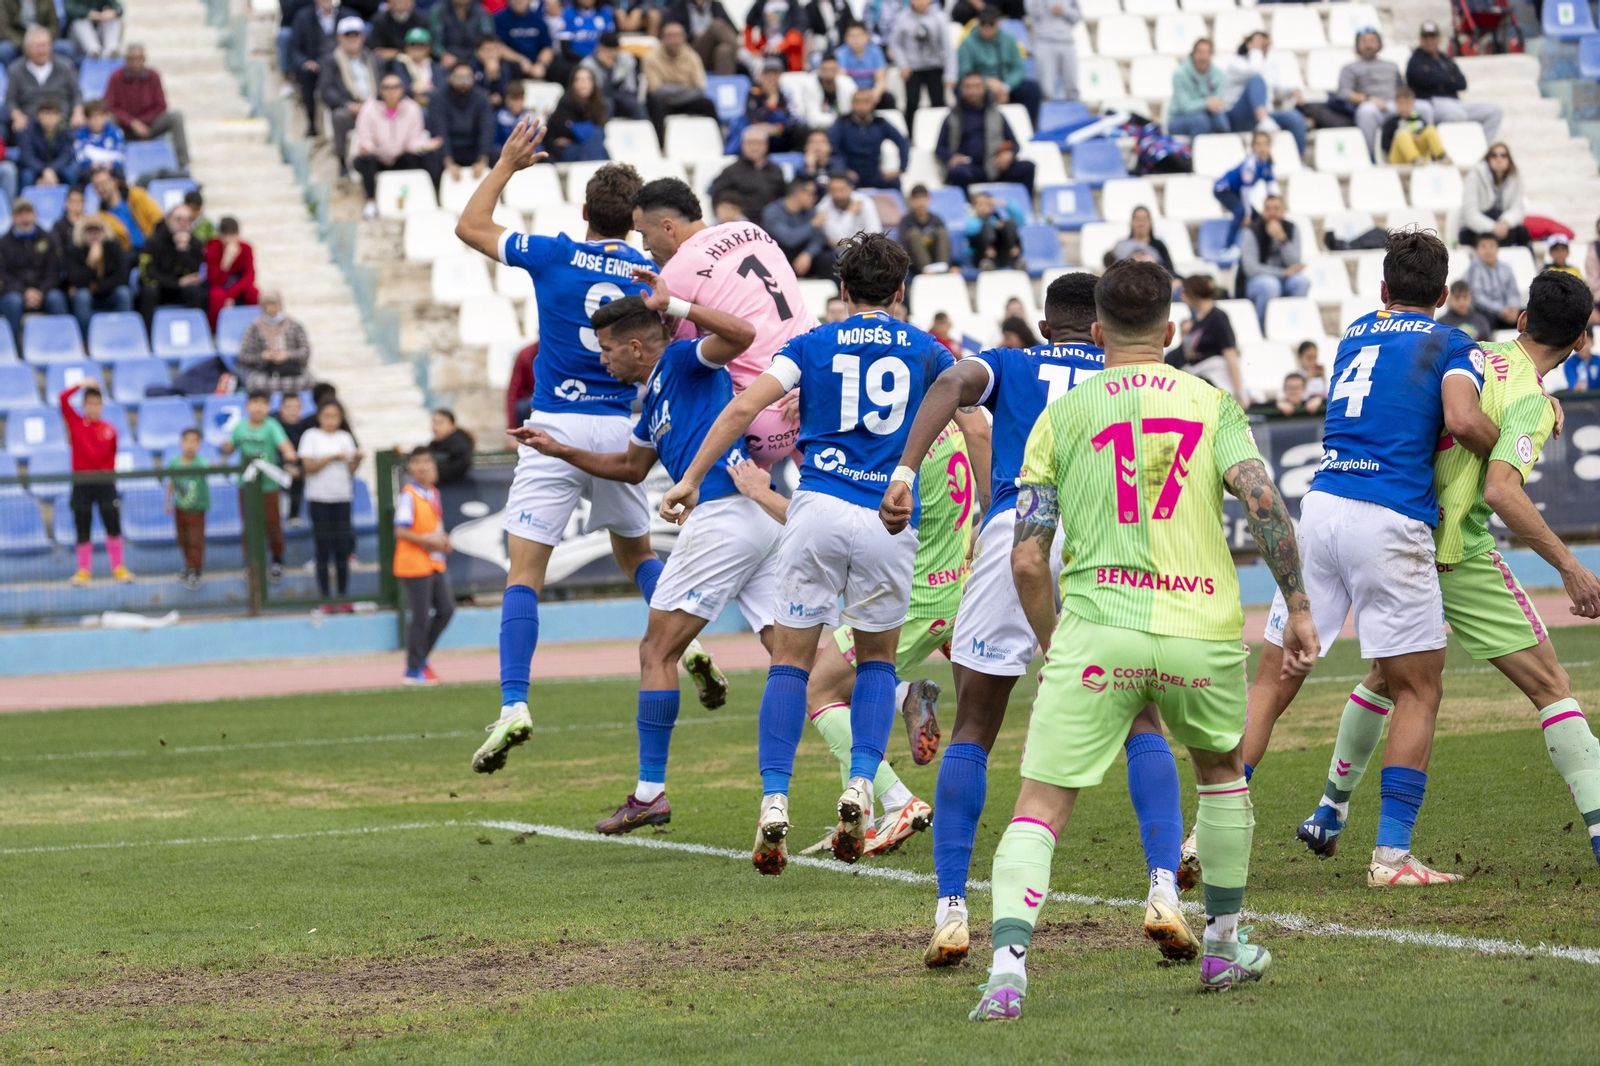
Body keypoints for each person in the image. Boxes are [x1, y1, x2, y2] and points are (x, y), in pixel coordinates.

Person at [960, 258, 1317, 1017]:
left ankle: (1007, 974)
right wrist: (1300, 605)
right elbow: (1264, 503)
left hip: (1099, 631)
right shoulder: (1211, 401)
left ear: (1096, 333)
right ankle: (1221, 948)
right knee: (1221, 773)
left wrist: (1055, 642)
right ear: (1173, 329)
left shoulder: (1062, 417)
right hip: (1201, 629)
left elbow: (1027, 558)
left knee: (1041, 805)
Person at [1271, 271, 1600, 871]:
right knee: (1551, 686)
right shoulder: (1528, 398)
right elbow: (1501, 490)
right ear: (1583, 339)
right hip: (1454, 550)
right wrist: (1572, 568)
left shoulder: (1470, 353)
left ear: (1521, 320)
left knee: (1385, 677)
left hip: (1392, 531)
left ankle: (1330, 808)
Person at [658, 231, 955, 872]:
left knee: (790, 665)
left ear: (842, 291)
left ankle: (773, 803)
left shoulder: (813, 342)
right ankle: (859, 786)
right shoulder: (929, 350)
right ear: (900, 292)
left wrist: (688, 478)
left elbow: (743, 407)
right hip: (887, 516)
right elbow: (975, 417)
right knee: (875, 664)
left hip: (816, 508)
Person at [1239, 228, 1500, 888]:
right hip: (1388, 517)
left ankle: (1204, 831)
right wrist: (1511, 449)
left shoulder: (1356, 331)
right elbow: (1464, 423)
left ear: (1383, 289)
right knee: (1417, 686)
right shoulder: (1450, 342)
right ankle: (1391, 857)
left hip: (1321, 509)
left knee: (1271, 681)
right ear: (1443, 295)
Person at [455, 127, 702, 775]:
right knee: (636, 555)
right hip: (622, 428)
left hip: (555, 426)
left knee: (524, 573)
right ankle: (682, 640)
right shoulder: (653, 271)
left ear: (585, 213)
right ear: (636, 220)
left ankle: (514, 703)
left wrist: (506, 163)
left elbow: (470, 226)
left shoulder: (554, 252)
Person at [513, 273, 771, 834]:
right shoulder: (650, 398)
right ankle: (891, 740)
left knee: (656, 651)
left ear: (635, 346)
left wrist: (674, 303)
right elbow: (630, 469)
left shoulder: (683, 360)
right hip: (754, 521)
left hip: (727, 514)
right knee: (793, 658)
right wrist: (558, 449)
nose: (602, 361)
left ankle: (650, 792)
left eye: (606, 350)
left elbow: (744, 332)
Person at [632, 175, 812, 469]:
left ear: (668, 227)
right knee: (823, 495)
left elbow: (692, 361)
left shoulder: (674, 275)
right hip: (813, 385)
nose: (644, 246)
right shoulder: (750, 228)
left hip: (764, 413)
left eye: (644, 234)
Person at [394, 445, 455, 684]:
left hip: (432, 562)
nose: (423, 467)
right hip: (413, 563)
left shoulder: (432, 494)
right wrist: (429, 541)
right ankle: (412, 668)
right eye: (417, 462)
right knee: (420, 616)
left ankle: (420, 659)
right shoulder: (408, 495)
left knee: (446, 609)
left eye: (427, 462)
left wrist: (443, 541)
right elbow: (401, 530)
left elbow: (433, 527)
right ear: (411, 467)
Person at [61, 382, 132, 584]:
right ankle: (84, 570)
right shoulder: (75, 423)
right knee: (82, 525)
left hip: (105, 484)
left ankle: (118, 567)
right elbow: (62, 399)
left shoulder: (110, 430)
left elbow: (112, 456)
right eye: (89, 403)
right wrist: (81, 384)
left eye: (97, 404)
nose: (93, 407)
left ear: (102, 406)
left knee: (113, 524)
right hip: (81, 483)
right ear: (83, 405)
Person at [223, 390, 298, 580]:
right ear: (247, 406)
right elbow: (230, 448)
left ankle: (277, 560)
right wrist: (226, 448)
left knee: (272, 524)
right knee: (249, 525)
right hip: (247, 486)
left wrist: (290, 455)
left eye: (262, 403)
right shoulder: (240, 427)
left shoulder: (272, 426)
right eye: (254, 403)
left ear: (269, 407)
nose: (258, 407)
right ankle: (251, 562)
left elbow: (286, 447)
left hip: (269, 486)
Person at [298, 398, 363, 600]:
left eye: (335, 416)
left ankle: (343, 594)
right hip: (319, 499)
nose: (331, 420)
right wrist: (332, 457)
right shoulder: (311, 436)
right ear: (319, 417)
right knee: (323, 548)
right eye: (327, 416)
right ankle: (325, 595)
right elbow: (308, 467)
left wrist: (357, 460)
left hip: (342, 497)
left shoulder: (345, 437)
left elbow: (350, 470)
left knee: (342, 548)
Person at [353, 74, 444, 217]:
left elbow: (413, 141)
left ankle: (425, 195)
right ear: (380, 90)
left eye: (395, 87)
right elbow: (364, 137)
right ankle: (371, 201)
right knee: (365, 161)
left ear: (402, 89)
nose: (391, 91)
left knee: (426, 157)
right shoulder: (368, 109)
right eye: (386, 87)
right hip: (376, 155)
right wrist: (367, 147)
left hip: (401, 156)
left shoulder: (412, 108)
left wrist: (425, 146)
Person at [1339, 28, 1430, 160]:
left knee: (1425, 107)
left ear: (1379, 44)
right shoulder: (1350, 68)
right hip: (1372, 106)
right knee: (1366, 112)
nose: (1368, 44)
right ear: (1357, 45)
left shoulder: (1391, 66)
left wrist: (1404, 102)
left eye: (1372, 41)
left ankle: (1424, 152)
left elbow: (1402, 88)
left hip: (1395, 103)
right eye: (1364, 41)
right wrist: (1369, 99)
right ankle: (1371, 157)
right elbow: (1344, 93)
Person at [937, 73, 1035, 194]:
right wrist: (951, 157)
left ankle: (1025, 207)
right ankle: (966, 208)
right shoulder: (952, 117)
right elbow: (939, 148)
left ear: (984, 88)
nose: (973, 91)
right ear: (962, 89)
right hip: (969, 168)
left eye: (977, 86)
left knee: (1027, 167)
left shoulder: (997, 114)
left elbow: (1015, 144)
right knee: (958, 172)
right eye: (968, 87)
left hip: (996, 165)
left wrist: (1009, 154)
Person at [1406, 19, 1501, 143]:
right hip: (1432, 102)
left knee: (1494, 111)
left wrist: (1438, 79)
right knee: (1456, 115)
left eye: (1432, 37)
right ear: (1420, 39)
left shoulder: (1445, 59)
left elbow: (1462, 83)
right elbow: (1419, 79)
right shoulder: (1416, 59)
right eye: (1426, 37)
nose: (1429, 41)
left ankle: (1483, 151)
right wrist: (1447, 80)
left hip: (1455, 102)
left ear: (1438, 38)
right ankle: (1440, 149)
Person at [103, 44, 189, 169]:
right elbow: (109, 106)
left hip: (150, 126)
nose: (136, 63)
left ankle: (183, 163)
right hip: (124, 128)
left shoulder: (153, 76)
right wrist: (132, 123)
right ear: (126, 60)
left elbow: (161, 105)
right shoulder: (115, 77)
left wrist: (143, 123)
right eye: (132, 59)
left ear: (144, 60)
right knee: (108, 120)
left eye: (139, 59)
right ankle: (110, 162)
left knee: (176, 117)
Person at [1222, 32, 1307, 156]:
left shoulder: (1266, 65)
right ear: (1249, 44)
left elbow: (1275, 88)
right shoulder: (1236, 63)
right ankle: (1263, 119)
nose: (1263, 48)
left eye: (1266, 45)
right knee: (1256, 80)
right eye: (1260, 44)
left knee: (1295, 118)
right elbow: (1255, 72)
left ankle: (1299, 159)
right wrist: (1255, 50)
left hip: (1265, 116)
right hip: (1238, 117)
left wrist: (1291, 91)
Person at [957, 9, 1040, 128]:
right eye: (983, 23)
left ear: (998, 24)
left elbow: (1018, 69)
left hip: (1006, 84)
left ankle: (1029, 128)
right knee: (961, 91)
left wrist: (1005, 87)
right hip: (980, 85)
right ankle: (969, 128)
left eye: (991, 23)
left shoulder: (1009, 39)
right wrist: (987, 83)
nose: (987, 27)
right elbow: (964, 71)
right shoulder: (967, 43)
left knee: (1032, 89)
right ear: (978, 24)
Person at [319, 18, 382, 174]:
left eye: (356, 34)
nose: (352, 38)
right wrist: (348, 104)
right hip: (350, 107)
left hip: (375, 105)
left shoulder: (374, 59)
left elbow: (384, 84)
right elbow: (326, 90)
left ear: (363, 36)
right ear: (339, 37)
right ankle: (342, 162)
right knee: (339, 117)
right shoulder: (331, 60)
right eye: (348, 35)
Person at [0, 199, 67, 340]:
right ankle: (12, 345)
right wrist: (25, 292)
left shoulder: (49, 239)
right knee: (13, 302)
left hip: (44, 291)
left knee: (57, 298)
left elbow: (54, 272)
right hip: (15, 293)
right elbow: (3, 276)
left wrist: (41, 292)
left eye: (28, 213)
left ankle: (62, 340)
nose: (25, 218)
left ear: (35, 215)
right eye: (20, 214)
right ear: (13, 218)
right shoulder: (3, 244)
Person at [1239, 194, 1308, 325]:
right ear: (1263, 212)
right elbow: (1250, 269)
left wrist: (1282, 240)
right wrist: (1282, 273)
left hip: (1285, 279)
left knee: (1301, 282)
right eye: (1268, 209)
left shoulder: (1292, 229)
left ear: (1283, 211)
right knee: (1270, 285)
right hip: (1256, 281)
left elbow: (1295, 263)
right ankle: (1263, 327)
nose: (1272, 213)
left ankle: (1296, 323)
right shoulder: (1251, 231)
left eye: (1276, 208)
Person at [136, 202, 207, 327]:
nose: (183, 223)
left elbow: (195, 273)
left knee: (195, 291)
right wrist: (177, 283)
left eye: (188, 220)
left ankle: (197, 331)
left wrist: (183, 250)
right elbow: (147, 274)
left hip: (182, 291)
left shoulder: (196, 243)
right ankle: (147, 336)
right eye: (178, 219)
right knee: (149, 291)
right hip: (161, 288)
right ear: (168, 220)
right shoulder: (153, 241)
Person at [641, 22, 720, 135]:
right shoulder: (651, 57)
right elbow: (656, 90)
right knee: (655, 104)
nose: (674, 40)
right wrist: (685, 87)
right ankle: (660, 145)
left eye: (678, 36)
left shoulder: (692, 56)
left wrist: (673, 96)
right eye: (670, 36)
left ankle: (718, 140)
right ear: (662, 38)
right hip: (663, 102)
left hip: (683, 101)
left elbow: (700, 88)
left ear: (684, 37)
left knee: (708, 104)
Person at [289, 0, 353, 137]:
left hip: (342, 63)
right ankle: (311, 120)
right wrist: (305, 62)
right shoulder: (303, 16)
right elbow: (294, 48)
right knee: (307, 75)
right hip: (316, 64)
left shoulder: (347, 15)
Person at [1177, 274, 1244, 401]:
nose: (1182, 299)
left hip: (1216, 378)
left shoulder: (1218, 317)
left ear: (1194, 293)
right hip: (1198, 378)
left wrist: (1239, 392)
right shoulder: (1195, 318)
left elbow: (1230, 353)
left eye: (1185, 294)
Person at [64, 215, 132, 339]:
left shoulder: (114, 247)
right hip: (86, 296)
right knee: (82, 296)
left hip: (108, 293)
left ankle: (124, 335)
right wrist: (91, 263)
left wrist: (95, 287)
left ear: (104, 232)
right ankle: (85, 340)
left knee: (123, 293)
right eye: (89, 231)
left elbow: (122, 278)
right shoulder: (74, 250)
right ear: (82, 233)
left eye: (97, 230)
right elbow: (75, 279)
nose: (94, 234)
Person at [828, 87, 908, 190]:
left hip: (873, 172)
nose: (861, 106)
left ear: (873, 104)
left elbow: (903, 142)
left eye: (866, 101)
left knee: (894, 182)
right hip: (849, 172)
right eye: (857, 102)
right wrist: (843, 170)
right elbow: (832, 147)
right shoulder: (842, 122)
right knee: (840, 185)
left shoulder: (880, 123)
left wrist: (901, 168)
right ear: (851, 104)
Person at [237, 291, 316, 394]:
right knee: (257, 384)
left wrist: (287, 355)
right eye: (268, 304)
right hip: (263, 370)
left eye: (274, 304)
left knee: (310, 382)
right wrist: (262, 356)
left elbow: (305, 352)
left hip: (291, 369)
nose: (271, 308)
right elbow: (243, 355)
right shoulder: (253, 327)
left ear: (280, 305)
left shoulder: (294, 325)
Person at [428, 62, 495, 180]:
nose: (463, 82)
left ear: (473, 79)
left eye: (468, 78)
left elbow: (486, 129)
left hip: (473, 147)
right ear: (450, 78)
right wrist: (448, 162)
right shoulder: (438, 97)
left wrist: (482, 159)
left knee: (498, 154)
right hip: (450, 147)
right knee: (433, 157)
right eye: (459, 78)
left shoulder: (482, 97)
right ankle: (437, 194)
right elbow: (439, 130)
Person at [708, 125, 787, 222]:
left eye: (758, 143)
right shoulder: (731, 171)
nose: (755, 147)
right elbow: (717, 196)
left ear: (766, 145)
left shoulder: (776, 170)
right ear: (742, 145)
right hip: (740, 221)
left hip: (772, 221)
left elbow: (784, 198)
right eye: (750, 143)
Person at [1213, 129, 1275, 250]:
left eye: (1265, 144)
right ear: (1252, 147)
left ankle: (1259, 248)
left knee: (1258, 219)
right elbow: (1245, 191)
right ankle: (1228, 247)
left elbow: (1270, 186)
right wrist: (1247, 214)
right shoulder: (1250, 165)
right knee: (1240, 212)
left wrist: (1271, 207)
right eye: (1258, 144)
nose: (1262, 148)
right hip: (1224, 189)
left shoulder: (1267, 163)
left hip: (1237, 191)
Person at [1460, 142, 1530, 248]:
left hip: (1503, 223)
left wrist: (1505, 222)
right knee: (1472, 237)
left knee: (1523, 234)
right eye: (1494, 155)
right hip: (1480, 224)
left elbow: (1518, 208)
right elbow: (1470, 213)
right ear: (1488, 158)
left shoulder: (1516, 177)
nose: (1499, 159)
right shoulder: (1475, 176)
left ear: (1509, 159)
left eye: (1503, 155)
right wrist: (1493, 227)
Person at [761, 177, 832, 280]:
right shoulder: (772, 212)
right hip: (779, 255)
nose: (815, 198)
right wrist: (812, 224)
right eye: (812, 193)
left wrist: (808, 253)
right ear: (799, 193)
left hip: (803, 256)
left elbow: (817, 239)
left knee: (826, 258)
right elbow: (789, 239)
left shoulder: (811, 211)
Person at [892, 0, 949, 125]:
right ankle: (909, 134)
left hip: (935, 66)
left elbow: (947, 46)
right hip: (912, 68)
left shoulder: (940, 16)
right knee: (911, 102)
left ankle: (940, 131)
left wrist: (950, 74)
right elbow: (896, 44)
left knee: (938, 102)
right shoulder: (902, 17)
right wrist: (903, 65)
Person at [165, 427, 209, 588]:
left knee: (195, 538)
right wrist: (168, 502)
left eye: (194, 441)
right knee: (183, 538)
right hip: (180, 508)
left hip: (197, 509)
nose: (190, 445)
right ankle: (189, 566)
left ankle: (196, 569)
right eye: (187, 441)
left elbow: (210, 469)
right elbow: (171, 483)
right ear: (181, 443)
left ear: (199, 445)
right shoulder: (174, 463)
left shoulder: (202, 463)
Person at [1166, 38, 1229, 139]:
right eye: (1200, 52)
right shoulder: (1180, 74)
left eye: (1207, 52)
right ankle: (1195, 153)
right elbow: (1185, 106)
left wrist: (1213, 104)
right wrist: (1206, 103)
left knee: (1221, 120)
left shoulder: (1218, 74)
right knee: (1200, 121)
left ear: (1211, 55)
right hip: (1178, 118)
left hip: (1208, 116)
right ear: (1193, 54)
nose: (1203, 57)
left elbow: (1219, 101)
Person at [546, 65, 611, 162]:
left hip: (587, 148)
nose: (583, 83)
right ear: (573, 84)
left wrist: (577, 135)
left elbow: (602, 131)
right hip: (564, 152)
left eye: (587, 79)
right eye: (578, 80)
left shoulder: (599, 104)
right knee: (596, 138)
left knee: (598, 143)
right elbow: (558, 133)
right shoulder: (565, 103)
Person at [204, 217, 258, 330]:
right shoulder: (213, 247)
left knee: (253, 293)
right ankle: (216, 331)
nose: (228, 240)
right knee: (216, 296)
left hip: (238, 287)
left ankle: (254, 329)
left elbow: (250, 276)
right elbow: (213, 280)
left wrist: (231, 295)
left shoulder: (246, 248)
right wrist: (226, 262)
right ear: (220, 235)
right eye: (225, 235)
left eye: (232, 235)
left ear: (238, 234)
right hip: (220, 285)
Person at [659, 0, 738, 76]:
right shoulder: (679, 6)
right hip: (693, 48)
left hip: (714, 50)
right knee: (716, 25)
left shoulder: (716, 6)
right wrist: (693, 35)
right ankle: (739, 50)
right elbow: (671, 30)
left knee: (724, 50)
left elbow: (732, 30)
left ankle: (723, 86)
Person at [580, 31, 645, 122]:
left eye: (614, 50)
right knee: (607, 104)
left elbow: (631, 88)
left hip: (621, 94)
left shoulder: (627, 59)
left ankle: (644, 131)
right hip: (598, 97)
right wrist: (606, 68)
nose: (610, 54)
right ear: (599, 48)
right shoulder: (588, 64)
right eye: (606, 50)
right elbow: (592, 91)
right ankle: (602, 133)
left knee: (636, 105)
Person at [89, 169, 161, 250]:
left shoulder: (137, 196)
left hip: (153, 246)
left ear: (114, 181)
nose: (101, 189)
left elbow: (158, 218)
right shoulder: (101, 217)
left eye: (103, 183)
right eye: (97, 186)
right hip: (127, 254)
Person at [1024, 0, 1079, 104]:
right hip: (1043, 40)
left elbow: (1077, 15)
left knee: (1072, 88)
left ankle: (1075, 112)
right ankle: (1046, 116)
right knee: (1046, 91)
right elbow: (1032, 12)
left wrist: (1064, 11)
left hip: (1067, 41)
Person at [744, 59, 803, 153]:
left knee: (800, 130)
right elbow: (753, 117)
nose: (771, 78)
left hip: (780, 133)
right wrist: (771, 101)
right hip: (759, 131)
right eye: (767, 74)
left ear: (779, 76)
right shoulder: (754, 92)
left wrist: (778, 129)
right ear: (762, 75)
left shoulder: (785, 92)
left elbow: (794, 117)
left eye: (774, 74)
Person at [18, 97, 75, 189]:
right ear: (38, 116)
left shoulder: (65, 130)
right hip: (35, 168)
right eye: (46, 114)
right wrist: (44, 170)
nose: (49, 119)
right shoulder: (28, 130)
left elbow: (66, 155)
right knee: (27, 175)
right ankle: (23, 201)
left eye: (53, 115)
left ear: (59, 116)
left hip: (57, 168)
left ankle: (73, 200)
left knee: (69, 173)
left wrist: (52, 169)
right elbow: (27, 156)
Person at [1381, 86, 1448, 166]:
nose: (1404, 107)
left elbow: (1427, 140)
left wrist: (1416, 138)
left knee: (1430, 129)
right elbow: (1385, 145)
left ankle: (1441, 156)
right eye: (1400, 104)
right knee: (1402, 134)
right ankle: (1415, 159)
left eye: (1407, 103)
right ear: (1396, 104)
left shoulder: (1419, 120)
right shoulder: (1391, 122)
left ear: (1412, 104)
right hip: (1399, 158)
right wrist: (1405, 139)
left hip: (1420, 154)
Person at [1468, 233, 1522, 328]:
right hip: (1486, 313)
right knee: (1484, 318)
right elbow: (1478, 298)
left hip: (1506, 311)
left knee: (1528, 315)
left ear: (1497, 249)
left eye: (1492, 246)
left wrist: (1512, 308)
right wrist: (1501, 310)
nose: (1488, 251)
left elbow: (1513, 292)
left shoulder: (1506, 268)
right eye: (1484, 247)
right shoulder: (1473, 270)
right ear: (1477, 250)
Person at [0, 0, 74, 66]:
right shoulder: (6, 1)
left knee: (67, 48)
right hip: (19, 40)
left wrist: (44, 42)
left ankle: (59, 79)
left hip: (43, 38)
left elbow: (54, 24)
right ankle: (15, 77)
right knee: (4, 50)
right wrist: (25, 45)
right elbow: (4, 28)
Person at [897, 183, 950, 275]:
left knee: (941, 232)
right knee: (914, 233)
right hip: (916, 266)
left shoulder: (937, 219)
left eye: (923, 198)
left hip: (936, 260)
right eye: (917, 199)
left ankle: (943, 267)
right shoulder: (906, 221)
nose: (920, 202)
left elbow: (945, 243)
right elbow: (903, 247)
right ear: (911, 201)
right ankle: (926, 268)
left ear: (928, 199)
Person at [817, 171, 881, 247]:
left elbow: (875, 232)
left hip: (866, 249)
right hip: (839, 253)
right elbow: (837, 237)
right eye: (833, 190)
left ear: (850, 188)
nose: (838, 195)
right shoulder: (823, 207)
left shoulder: (865, 202)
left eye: (841, 190)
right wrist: (850, 213)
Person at [963, 189, 1020, 271]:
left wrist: (1003, 203)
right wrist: (993, 224)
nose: (983, 207)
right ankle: (989, 259)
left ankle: (1015, 258)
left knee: (1009, 223)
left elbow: (1020, 220)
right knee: (987, 225)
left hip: (1000, 254)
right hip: (981, 255)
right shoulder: (972, 220)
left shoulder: (997, 219)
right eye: (979, 204)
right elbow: (971, 230)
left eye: (986, 204)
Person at [429, 0, 496, 68]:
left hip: (475, 59)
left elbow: (487, 39)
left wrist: (486, 57)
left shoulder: (481, 12)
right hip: (446, 59)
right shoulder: (439, 11)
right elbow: (435, 41)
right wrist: (442, 55)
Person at [493, 0, 552, 76]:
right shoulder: (499, 19)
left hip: (536, 62)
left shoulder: (538, 20)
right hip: (513, 62)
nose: (519, 1)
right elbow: (499, 47)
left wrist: (541, 64)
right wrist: (521, 60)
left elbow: (547, 48)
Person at [834, 23, 887, 105]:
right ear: (845, 38)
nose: (856, 39)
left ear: (867, 36)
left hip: (871, 93)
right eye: (852, 36)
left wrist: (874, 94)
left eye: (859, 35)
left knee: (887, 99)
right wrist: (856, 97)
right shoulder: (841, 53)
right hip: (850, 94)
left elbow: (881, 80)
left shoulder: (876, 52)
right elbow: (841, 79)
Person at [275, 392, 308, 523]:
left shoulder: (305, 426)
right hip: (275, 466)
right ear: (281, 408)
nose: (293, 411)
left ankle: (294, 515)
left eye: (296, 407)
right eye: (289, 407)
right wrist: (282, 466)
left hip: (297, 468)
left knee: (298, 475)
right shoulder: (273, 424)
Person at [1112, 205, 1174, 273]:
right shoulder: (1121, 246)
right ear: (1131, 222)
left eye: (1144, 219)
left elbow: (1170, 271)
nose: (1141, 224)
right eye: (1138, 219)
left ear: (1150, 222)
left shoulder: (1159, 246)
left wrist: (1154, 263)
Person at [73, 99, 125, 177]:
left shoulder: (116, 132)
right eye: (94, 117)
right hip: (90, 169)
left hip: (111, 168)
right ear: (87, 119)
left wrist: (111, 164)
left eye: (101, 116)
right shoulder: (80, 134)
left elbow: (120, 154)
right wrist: (91, 164)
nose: (97, 120)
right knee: (82, 173)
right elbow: (79, 156)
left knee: (119, 172)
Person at [391, 27, 445, 101]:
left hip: (433, 104)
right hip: (408, 104)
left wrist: (423, 92)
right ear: (405, 47)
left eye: (422, 44)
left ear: (429, 48)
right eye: (412, 44)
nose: (417, 48)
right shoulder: (400, 64)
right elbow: (403, 87)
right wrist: (427, 90)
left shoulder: (436, 67)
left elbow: (441, 89)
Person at [430, 408, 474, 484]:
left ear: (452, 426)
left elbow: (462, 464)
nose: (435, 427)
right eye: (434, 422)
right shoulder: (435, 444)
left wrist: (436, 475)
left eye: (440, 423)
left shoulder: (457, 443)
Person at [507, 340, 537, 426]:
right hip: (532, 402)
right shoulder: (526, 355)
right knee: (522, 407)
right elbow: (514, 391)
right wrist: (511, 426)